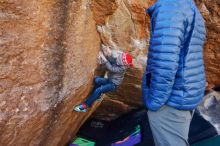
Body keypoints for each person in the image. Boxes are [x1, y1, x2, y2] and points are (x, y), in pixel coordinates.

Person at [142, 0, 206, 146]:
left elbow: (165, 61)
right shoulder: (191, 8)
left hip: (171, 101)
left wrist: (154, 103)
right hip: (185, 94)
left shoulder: (170, 7)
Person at [74, 45, 133, 112]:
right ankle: (97, 96)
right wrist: (108, 52)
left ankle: (85, 106)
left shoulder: (122, 68)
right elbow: (113, 59)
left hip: (113, 84)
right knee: (96, 80)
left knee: (98, 90)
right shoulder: (121, 58)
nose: (118, 59)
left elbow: (111, 68)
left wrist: (104, 60)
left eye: (119, 60)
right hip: (110, 80)